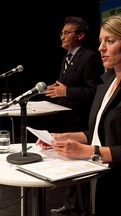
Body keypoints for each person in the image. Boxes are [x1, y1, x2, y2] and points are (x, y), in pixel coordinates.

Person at [37, 15, 121, 216]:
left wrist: (88, 151)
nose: (101, 48)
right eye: (101, 41)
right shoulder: (108, 82)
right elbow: (99, 129)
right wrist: (66, 137)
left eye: (109, 41)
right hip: (105, 180)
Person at [44, 17, 104, 215]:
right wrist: (57, 91)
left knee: (78, 166)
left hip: (81, 121)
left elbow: (95, 91)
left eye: (66, 33)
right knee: (67, 161)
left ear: (80, 35)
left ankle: (83, 208)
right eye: (61, 33)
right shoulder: (66, 58)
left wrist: (67, 92)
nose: (62, 36)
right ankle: (71, 205)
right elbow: (67, 87)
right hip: (66, 119)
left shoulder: (90, 57)